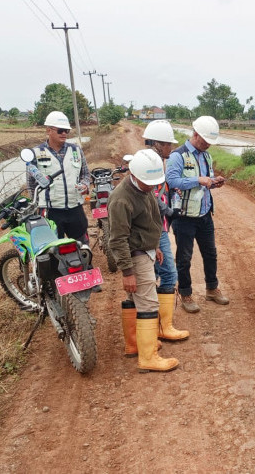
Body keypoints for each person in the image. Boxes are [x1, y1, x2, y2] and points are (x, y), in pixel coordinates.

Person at [108, 148, 179, 373]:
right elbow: (117, 239)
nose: (153, 186)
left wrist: (155, 245)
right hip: (135, 256)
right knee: (148, 303)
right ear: (134, 175)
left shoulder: (144, 187)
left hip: (145, 250)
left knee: (135, 299)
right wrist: (127, 272)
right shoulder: (121, 199)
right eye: (149, 182)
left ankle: (135, 345)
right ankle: (149, 357)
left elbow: (151, 220)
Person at [165, 116, 229, 313]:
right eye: (205, 141)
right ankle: (185, 293)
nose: (208, 145)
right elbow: (172, 181)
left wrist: (213, 182)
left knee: (211, 254)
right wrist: (198, 180)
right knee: (184, 257)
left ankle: (212, 288)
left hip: (204, 214)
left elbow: (205, 182)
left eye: (210, 142)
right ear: (195, 134)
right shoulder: (179, 155)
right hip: (184, 217)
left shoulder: (206, 156)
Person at [143, 120, 189, 342]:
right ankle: (162, 326)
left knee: (155, 274)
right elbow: (150, 196)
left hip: (155, 226)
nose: (171, 148)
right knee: (168, 273)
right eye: (168, 144)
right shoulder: (150, 162)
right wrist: (170, 211)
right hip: (152, 229)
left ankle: (159, 326)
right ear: (157, 143)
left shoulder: (156, 161)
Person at [27, 111, 91, 244]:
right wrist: (37, 206)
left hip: (75, 208)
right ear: (48, 130)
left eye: (67, 131)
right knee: (53, 249)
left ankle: (86, 265)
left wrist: (85, 185)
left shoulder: (76, 150)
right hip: (51, 211)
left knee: (82, 245)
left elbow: (85, 174)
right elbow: (31, 184)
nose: (64, 134)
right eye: (61, 130)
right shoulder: (36, 153)